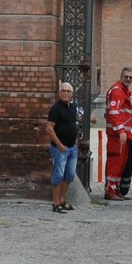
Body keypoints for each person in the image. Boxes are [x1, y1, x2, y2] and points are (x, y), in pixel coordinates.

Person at [103, 66, 132, 200]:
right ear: (121, 76)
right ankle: (110, 192)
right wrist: (121, 131)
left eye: (130, 77)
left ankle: (115, 190)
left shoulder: (123, 91)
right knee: (115, 161)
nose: (128, 79)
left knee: (120, 162)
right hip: (116, 134)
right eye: (126, 76)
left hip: (120, 133)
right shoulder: (117, 91)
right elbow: (114, 113)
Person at [46, 82, 80, 213]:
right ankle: (55, 203)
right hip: (60, 148)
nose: (66, 93)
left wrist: (75, 141)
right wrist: (59, 145)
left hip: (72, 149)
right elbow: (49, 129)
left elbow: (73, 125)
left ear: (72, 94)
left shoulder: (73, 108)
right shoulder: (55, 109)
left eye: (68, 91)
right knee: (58, 176)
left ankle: (62, 200)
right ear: (59, 93)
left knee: (69, 175)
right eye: (63, 91)